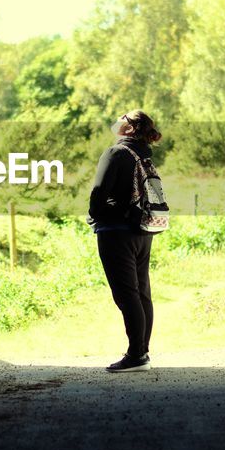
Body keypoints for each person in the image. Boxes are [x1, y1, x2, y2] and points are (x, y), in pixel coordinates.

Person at [87, 109, 162, 373]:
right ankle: (142, 351)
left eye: (123, 117)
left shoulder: (116, 153)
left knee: (126, 294)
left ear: (130, 128)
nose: (118, 119)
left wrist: (95, 216)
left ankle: (136, 355)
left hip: (116, 231)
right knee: (142, 292)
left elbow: (98, 192)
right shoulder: (144, 155)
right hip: (142, 231)